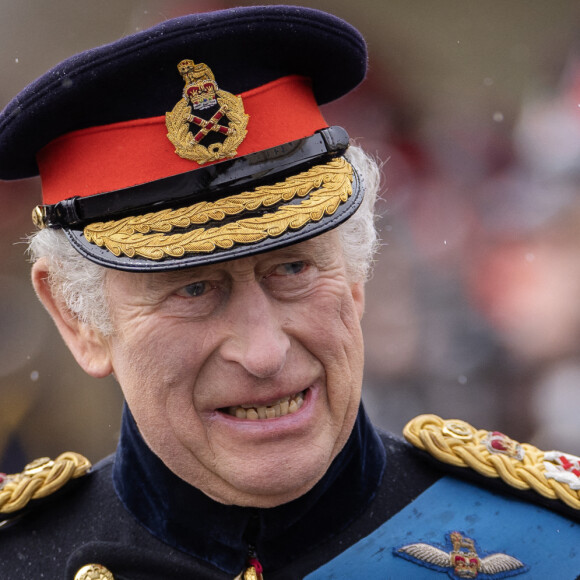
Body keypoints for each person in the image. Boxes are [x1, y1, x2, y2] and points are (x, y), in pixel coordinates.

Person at [0, 6, 579, 579]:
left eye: (294, 270)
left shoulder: (550, 548)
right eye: (194, 288)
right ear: (79, 318)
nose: (264, 353)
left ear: (356, 277)